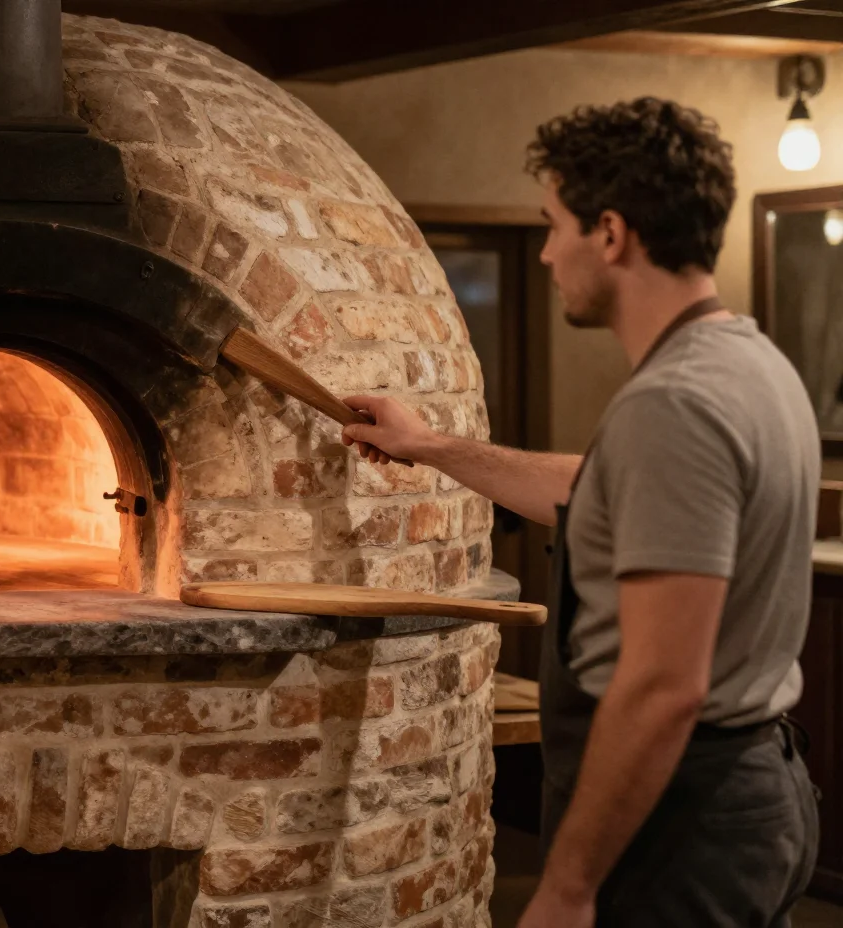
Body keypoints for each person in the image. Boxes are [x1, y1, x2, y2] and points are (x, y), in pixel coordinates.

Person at [344, 98, 821, 927]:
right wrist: (432, 447)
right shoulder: (750, 365)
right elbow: (604, 490)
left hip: (682, 821)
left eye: (554, 224)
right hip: (748, 793)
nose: (544, 253)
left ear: (611, 233)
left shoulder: (673, 403)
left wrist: (565, 887)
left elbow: (664, 684)